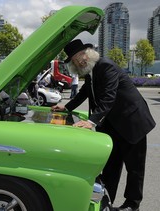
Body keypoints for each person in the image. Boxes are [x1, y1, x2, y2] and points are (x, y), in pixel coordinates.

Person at [51, 39, 156, 211]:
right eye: (75, 60)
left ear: (88, 52)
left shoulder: (105, 65)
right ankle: (106, 201)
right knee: (111, 166)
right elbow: (85, 92)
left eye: (80, 55)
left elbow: (109, 97)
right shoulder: (91, 71)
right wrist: (66, 107)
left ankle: (132, 205)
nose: (79, 60)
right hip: (112, 124)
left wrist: (91, 121)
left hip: (132, 121)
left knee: (135, 168)